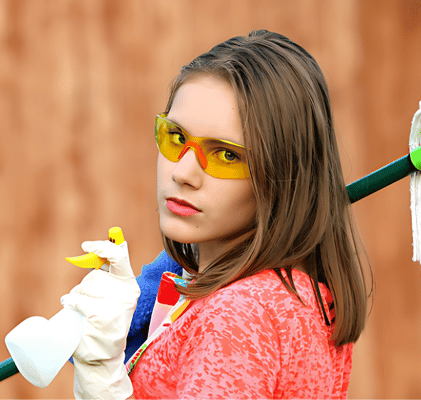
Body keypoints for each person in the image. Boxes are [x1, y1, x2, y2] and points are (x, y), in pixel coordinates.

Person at [65, 29, 371, 399]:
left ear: (282, 177)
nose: (182, 172)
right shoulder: (290, 296)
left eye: (226, 155)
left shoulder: (240, 317)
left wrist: (102, 383)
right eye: (177, 137)